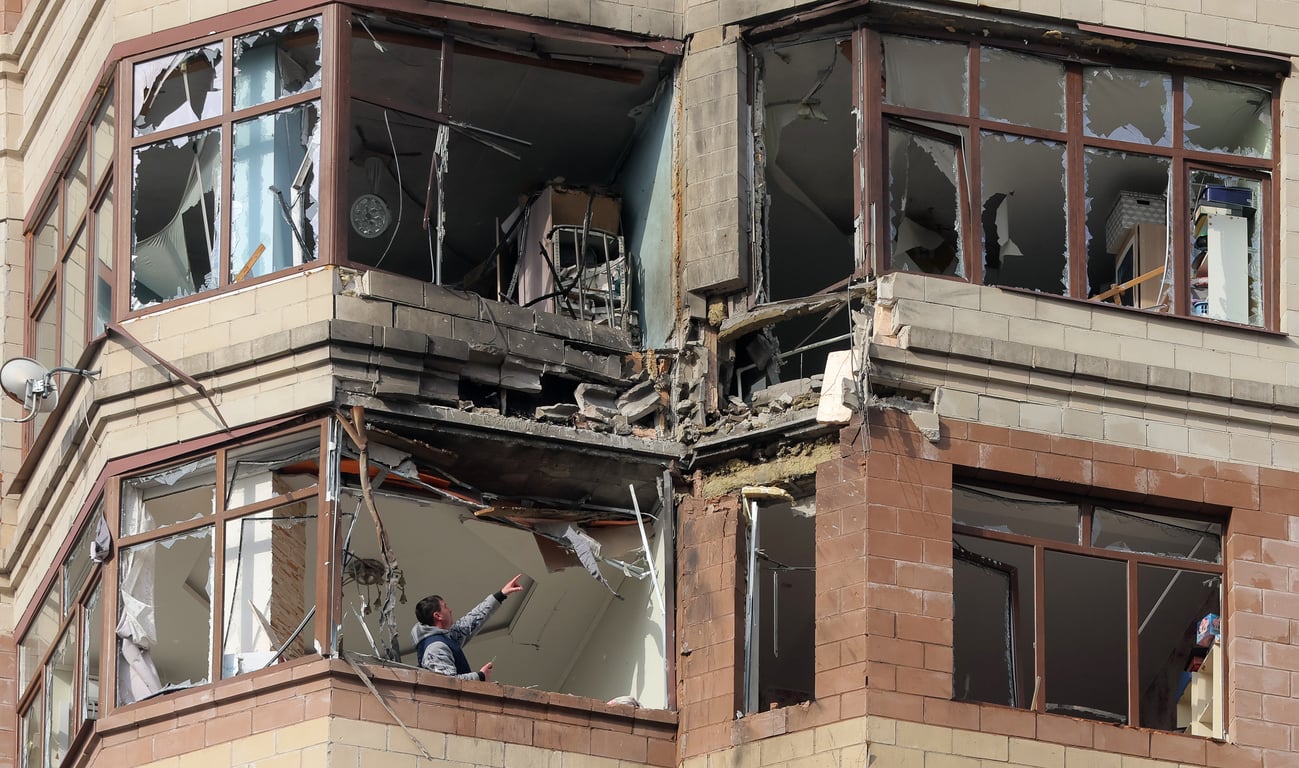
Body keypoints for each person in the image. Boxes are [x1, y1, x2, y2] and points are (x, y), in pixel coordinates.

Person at [411, 574, 524, 681]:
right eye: (445, 607)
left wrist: (501, 594)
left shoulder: (446, 636)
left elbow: (471, 621)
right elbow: (446, 683)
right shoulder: (435, 648)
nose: (450, 610)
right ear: (438, 616)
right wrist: (480, 676)